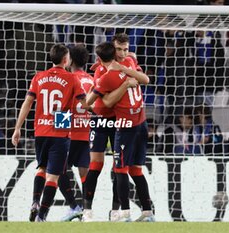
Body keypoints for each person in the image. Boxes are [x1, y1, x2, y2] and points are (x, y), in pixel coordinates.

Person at [12, 44, 87, 222]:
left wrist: (17, 128)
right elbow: (84, 105)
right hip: (60, 127)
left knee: (42, 168)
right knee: (53, 176)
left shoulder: (39, 77)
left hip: (41, 129)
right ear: (66, 59)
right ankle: (42, 216)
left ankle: (35, 202)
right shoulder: (71, 78)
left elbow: (27, 103)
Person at [82, 33, 147, 222]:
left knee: (118, 167)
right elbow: (105, 101)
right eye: (119, 49)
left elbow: (141, 79)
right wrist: (126, 84)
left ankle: (115, 211)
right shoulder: (101, 70)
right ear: (112, 48)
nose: (122, 53)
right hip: (102, 119)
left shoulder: (130, 61)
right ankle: (87, 210)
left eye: (125, 49)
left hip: (121, 120)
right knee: (96, 165)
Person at [58, 45, 93, 221]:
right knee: (85, 173)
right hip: (86, 132)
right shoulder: (92, 80)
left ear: (70, 60)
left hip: (70, 133)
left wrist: (58, 131)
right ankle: (87, 212)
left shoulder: (68, 79)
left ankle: (74, 206)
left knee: (58, 170)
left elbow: (63, 106)